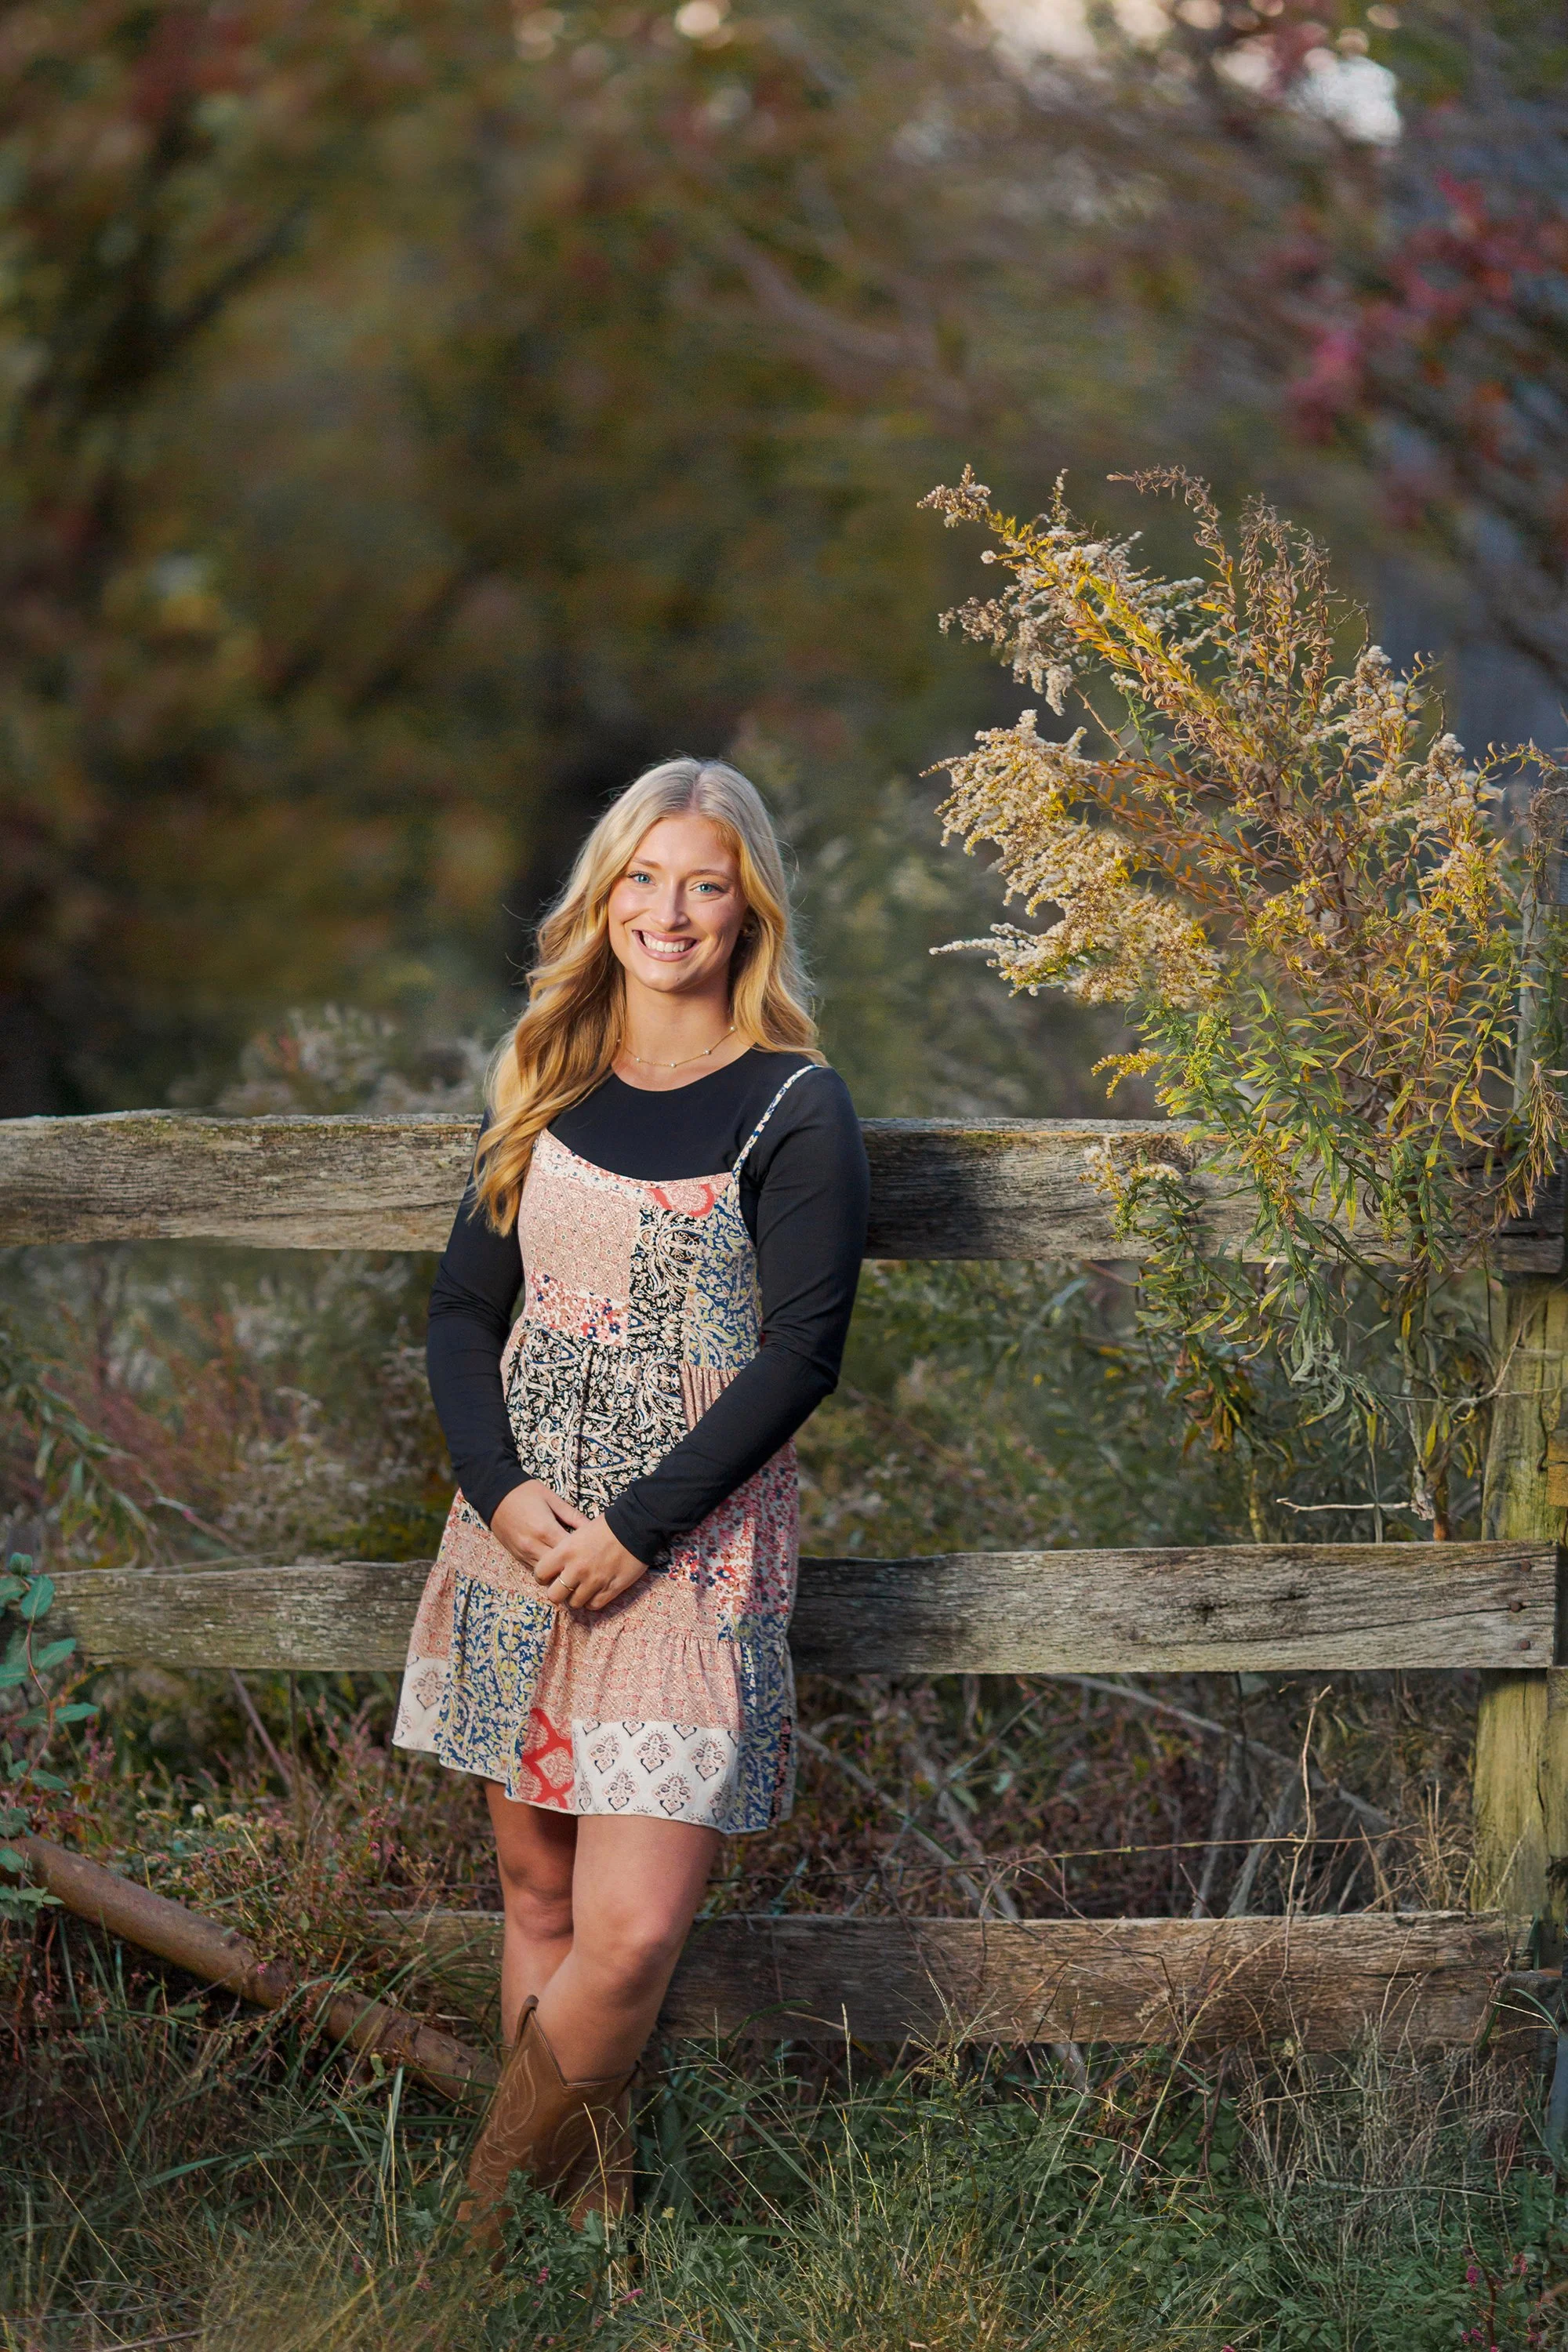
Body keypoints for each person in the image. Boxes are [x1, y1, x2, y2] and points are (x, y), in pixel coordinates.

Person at [392, 757, 869, 2244]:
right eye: (644, 880)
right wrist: (505, 1490)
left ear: (749, 911)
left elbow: (803, 1352)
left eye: (705, 884)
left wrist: (636, 1528)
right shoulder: (548, 1082)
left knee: (632, 1930)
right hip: (515, 1550)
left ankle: (471, 2240)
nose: (670, 912)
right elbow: (465, 1315)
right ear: (604, 900)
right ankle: (588, 2246)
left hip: (686, 1562)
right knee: (537, 1907)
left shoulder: (794, 1107)